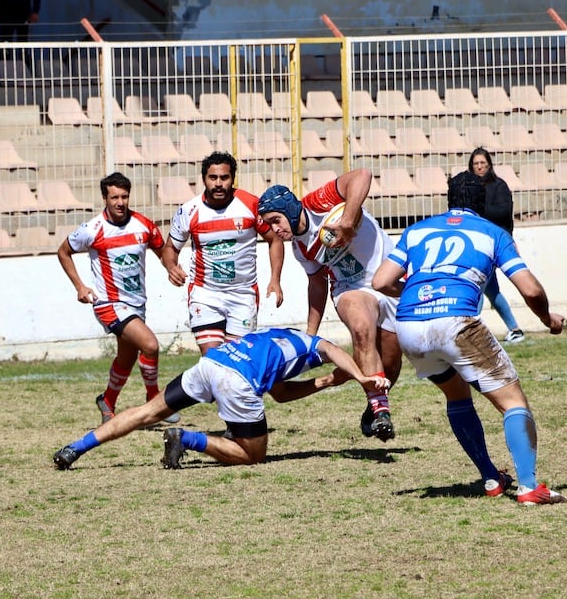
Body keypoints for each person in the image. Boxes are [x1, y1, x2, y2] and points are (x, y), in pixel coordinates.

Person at [371, 171, 567, 505]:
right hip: (455, 322)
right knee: (513, 403)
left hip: (410, 327)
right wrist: (547, 318)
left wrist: (417, 294)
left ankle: (491, 477)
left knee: (457, 395)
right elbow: (531, 289)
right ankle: (529, 487)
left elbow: (380, 282)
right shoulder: (493, 232)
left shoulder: (417, 230)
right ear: (483, 203)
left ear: (449, 201)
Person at [53, 327, 391, 470]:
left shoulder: (275, 338)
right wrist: (360, 376)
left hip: (212, 363)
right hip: (236, 381)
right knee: (252, 455)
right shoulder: (312, 345)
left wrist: (329, 382)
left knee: (146, 411)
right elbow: (333, 350)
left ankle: (75, 448)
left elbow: (282, 394)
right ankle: (187, 439)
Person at [257, 170, 401, 442]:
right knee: (361, 329)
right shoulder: (300, 249)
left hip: (390, 275)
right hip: (351, 288)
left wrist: (347, 220)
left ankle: (373, 403)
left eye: (276, 220)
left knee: (391, 365)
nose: (274, 230)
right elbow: (317, 284)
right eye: (268, 225)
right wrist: (310, 334)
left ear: (289, 208)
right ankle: (381, 411)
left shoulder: (319, 203)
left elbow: (363, 175)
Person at [57, 172, 180, 425]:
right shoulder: (92, 229)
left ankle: (108, 401)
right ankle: (154, 403)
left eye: (124, 196)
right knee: (150, 345)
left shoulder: (143, 225)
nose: (120, 202)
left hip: (137, 303)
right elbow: (63, 251)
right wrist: (80, 286)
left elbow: (161, 251)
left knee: (127, 358)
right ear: (105, 198)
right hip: (108, 303)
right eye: (114, 197)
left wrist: (171, 268)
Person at [161, 152, 284, 356]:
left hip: (243, 295)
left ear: (232, 179)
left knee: (238, 361)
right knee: (214, 359)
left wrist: (275, 279)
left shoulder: (251, 205)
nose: (218, 183)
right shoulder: (189, 211)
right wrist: (171, 266)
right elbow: (170, 248)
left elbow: (275, 239)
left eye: (224, 178)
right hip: (205, 294)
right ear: (204, 179)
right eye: (213, 178)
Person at [469, 147, 525, 344]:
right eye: (476, 164)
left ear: (489, 164)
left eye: (483, 163)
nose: (479, 167)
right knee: (491, 290)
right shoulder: (468, 187)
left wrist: (480, 209)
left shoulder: (499, 186)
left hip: (494, 243)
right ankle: (515, 329)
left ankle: (471, 330)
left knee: (478, 285)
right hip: (475, 243)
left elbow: (504, 213)